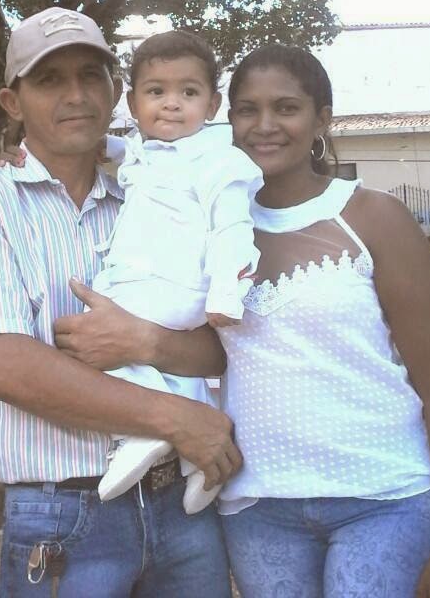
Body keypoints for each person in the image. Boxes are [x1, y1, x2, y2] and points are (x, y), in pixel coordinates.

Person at [0, 7, 240, 598]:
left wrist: (144, 342)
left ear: (116, 90)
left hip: (181, 504)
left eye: (90, 75)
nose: (75, 95)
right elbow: (6, 369)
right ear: (12, 102)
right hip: (63, 513)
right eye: (49, 79)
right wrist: (176, 418)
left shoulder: (154, 187)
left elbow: (221, 346)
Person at [215, 45, 430, 597]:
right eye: (247, 110)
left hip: (383, 497)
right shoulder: (213, 225)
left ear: (321, 120)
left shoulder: (373, 217)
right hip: (258, 503)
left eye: (286, 107)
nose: (265, 125)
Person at [90, 30, 263, 513]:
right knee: (165, 361)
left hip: (175, 284)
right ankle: (202, 462)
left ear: (212, 104)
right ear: (133, 103)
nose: (171, 104)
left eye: (188, 92)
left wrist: (227, 292)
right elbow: (126, 154)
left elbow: (233, 227)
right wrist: (104, 147)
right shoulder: (149, 150)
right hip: (156, 284)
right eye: (156, 91)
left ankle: (141, 433)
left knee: (94, 331)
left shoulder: (220, 161)